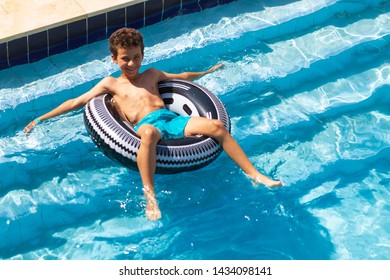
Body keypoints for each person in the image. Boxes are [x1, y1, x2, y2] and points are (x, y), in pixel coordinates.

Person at [24, 28, 283, 220]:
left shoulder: (152, 74)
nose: (132, 64)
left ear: (143, 54)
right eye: (125, 59)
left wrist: (207, 72)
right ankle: (150, 196)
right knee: (147, 132)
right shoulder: (111, 84)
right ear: (114, 59)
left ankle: (255, 175)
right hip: (147, 126)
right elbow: (76, 101)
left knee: (216, 126)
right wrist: (40, 118)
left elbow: (182, 77)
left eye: (136, 57)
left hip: (172, 121)